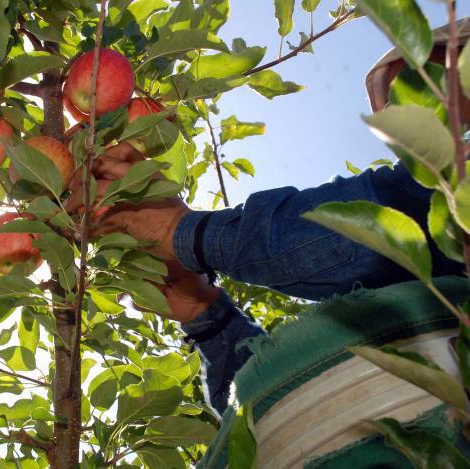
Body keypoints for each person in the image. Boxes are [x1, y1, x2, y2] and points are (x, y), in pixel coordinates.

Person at [67, 21, 470, 414]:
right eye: (401, 106)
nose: (420, 118)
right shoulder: (424, 305)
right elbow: (260, 413)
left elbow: (369, 224)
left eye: (437, 84)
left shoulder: (444, 205)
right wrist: (208, 317)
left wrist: (186, 232)